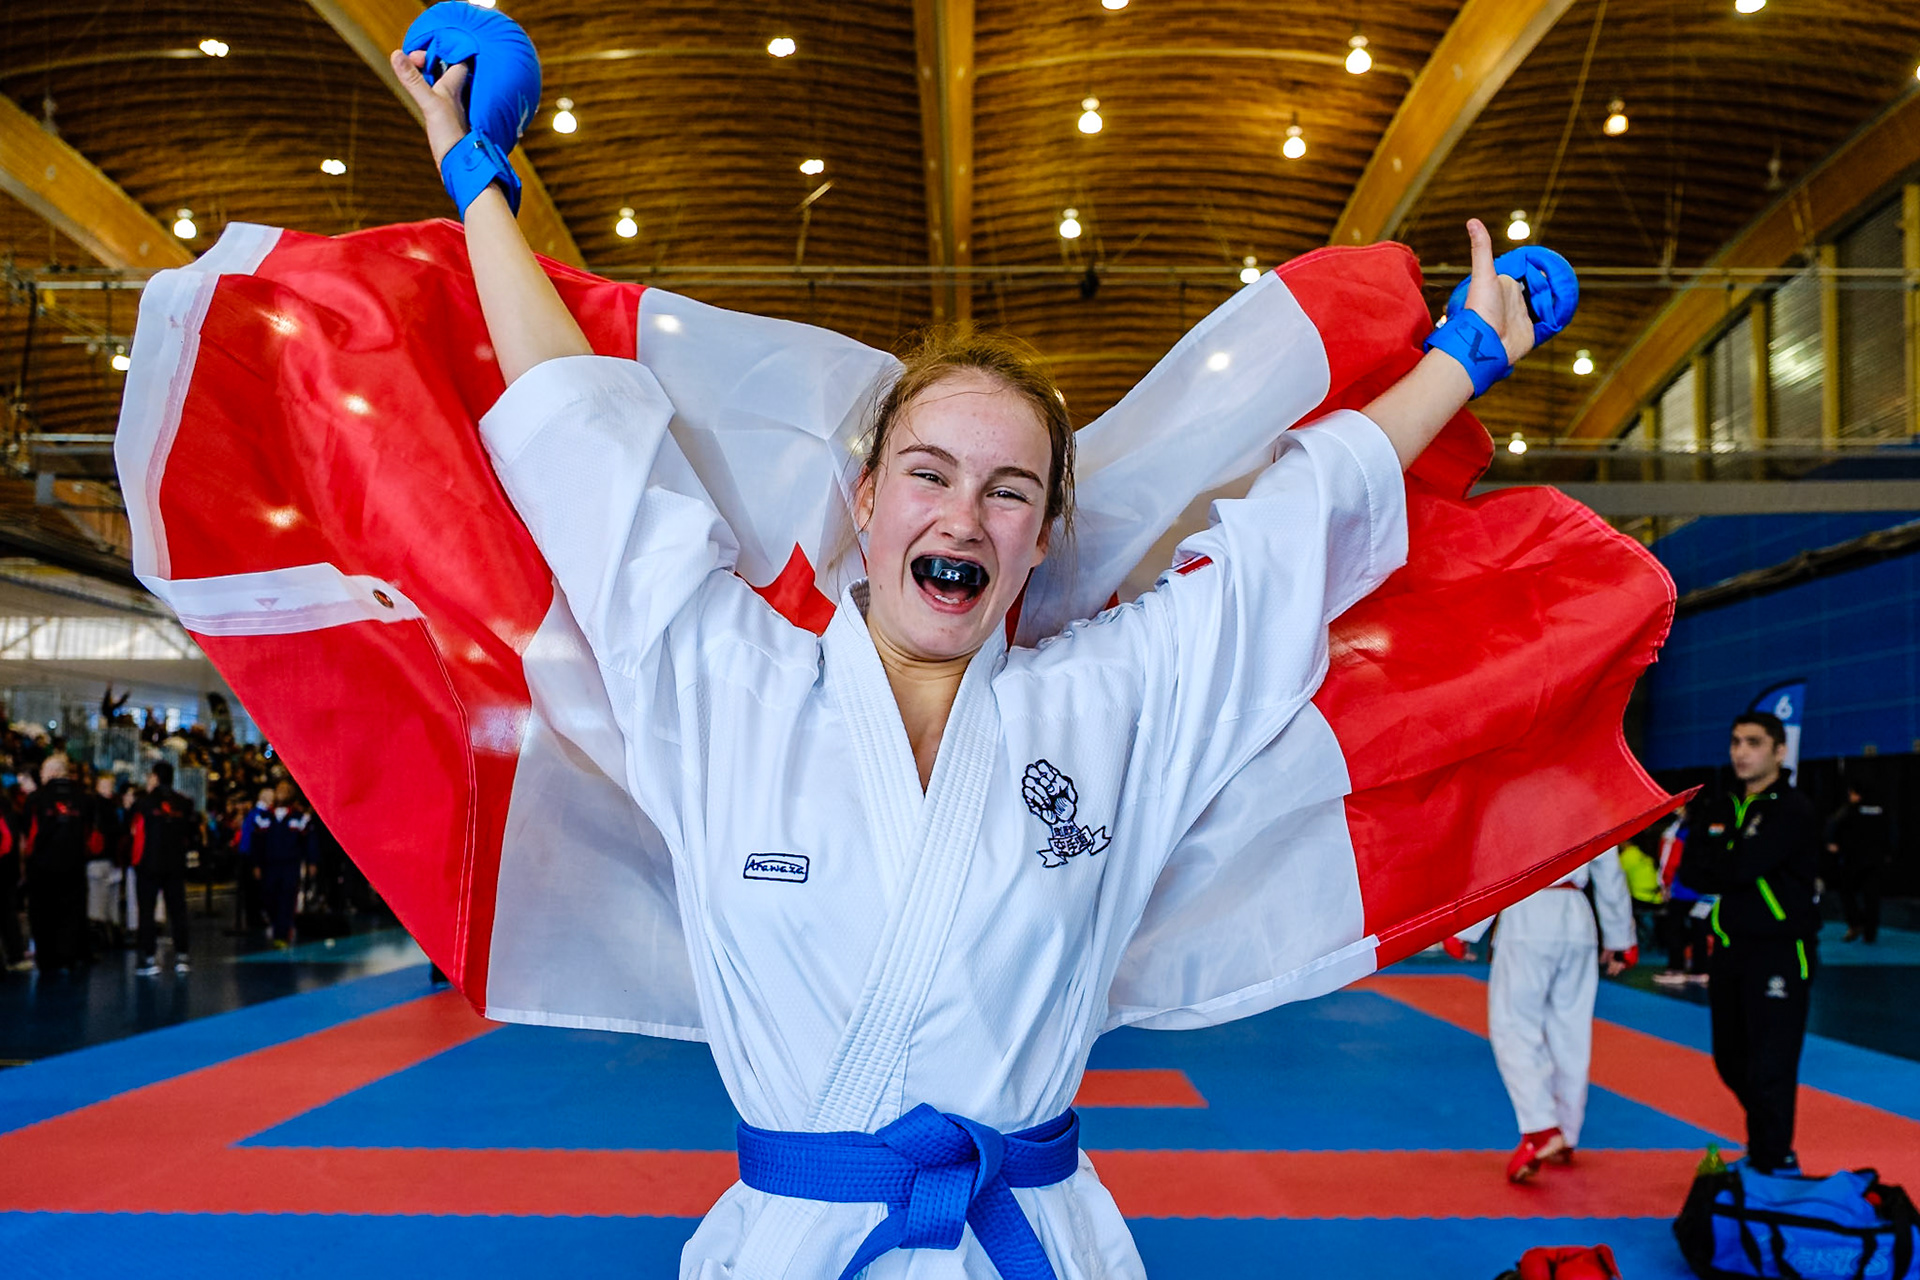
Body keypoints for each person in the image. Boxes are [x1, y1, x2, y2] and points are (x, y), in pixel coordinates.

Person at [372, 23, 1554, 1276]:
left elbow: (1293, 544)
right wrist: (476, 182)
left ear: (1043, 536)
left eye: (1008, 491)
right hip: (800, 1242)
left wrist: (1463, 357)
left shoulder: (1114, 703)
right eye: (928, 474)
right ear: (866, 502)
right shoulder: (721, 684)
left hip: (1029, 1236)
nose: (963, 515)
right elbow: (585, 450)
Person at [1675, 712, 1820, 1175]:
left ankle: (1774, 1159)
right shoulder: (1719, 807)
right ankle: (1766, 1148)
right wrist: (1728, 859)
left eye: (1753, 743)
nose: (1740, 752)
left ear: (1779, 751)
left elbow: (1737, 868)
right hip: (1730, 950)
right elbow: (1692, 872)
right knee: (1730, 1059)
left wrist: (1725, 860)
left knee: (1771, 1065)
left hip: (1780, 949)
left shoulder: (1792, 809)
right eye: (1736, 741)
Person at [1455, 849, 1636, 1182]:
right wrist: (1620, 936)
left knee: (1514, 1027)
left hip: (1528, 913)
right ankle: (1567, 1132)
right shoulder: (1593, 798)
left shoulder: (1517, 798)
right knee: (1571, 1031)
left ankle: (1541, 1129)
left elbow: (1494, 863)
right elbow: (1608, 867)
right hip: (1577, 917)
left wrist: (1464, 928)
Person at [22, 756, 103, 973]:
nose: (41, 776)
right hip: (74, 866)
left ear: (54, 772)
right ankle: (70, 956)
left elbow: (29, 836)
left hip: (42, 868)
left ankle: (47, 960)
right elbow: (91, 837)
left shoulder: (35, 799)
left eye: (43, 771)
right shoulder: (85, 799)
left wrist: (27, 863)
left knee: (42, 915)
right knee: (72, 913)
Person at [132, 761, 200, 975]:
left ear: (155, 777)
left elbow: (134, 832)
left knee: (147, 912)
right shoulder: (184, 803)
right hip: (175, 865)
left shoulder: (143, 803)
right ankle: (182, 956)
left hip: (149, 865)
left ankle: (149, 958)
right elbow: (192, 833)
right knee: (178, 911)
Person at [1827, 782, 1891, 944]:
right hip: (1875, 861)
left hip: (1853, 860)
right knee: (1872, 898)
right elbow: (1892, 832)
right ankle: (1869, 932)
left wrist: (1832, 842)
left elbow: (1832, 824)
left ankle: (1856, 924)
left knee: (1848, 893)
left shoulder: (1849, 810)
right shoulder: (1882, 810)